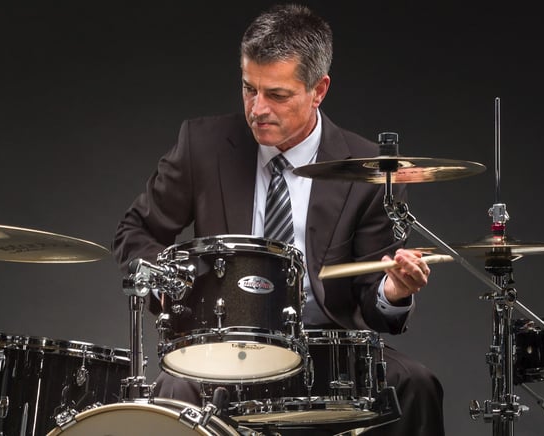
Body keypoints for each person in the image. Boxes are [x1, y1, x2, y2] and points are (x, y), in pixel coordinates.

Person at [112, 3, 444, 435]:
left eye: (277, 95)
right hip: (224, 350)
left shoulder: (368, 169)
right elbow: (135, 231)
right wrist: (170, 282)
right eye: (249, 88)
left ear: (319, 90)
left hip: (327, 352)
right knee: (172, 391)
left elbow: (371, 301)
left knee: (416, 385)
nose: (257, 108)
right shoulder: (202, 144)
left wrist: (393, 291)